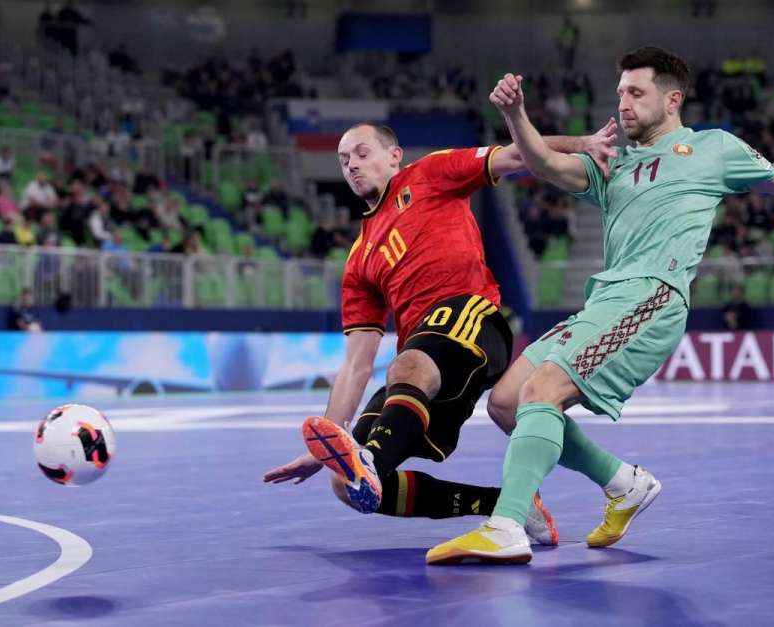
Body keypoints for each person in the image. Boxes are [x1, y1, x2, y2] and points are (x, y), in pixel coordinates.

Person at [428, 46, 774, 565]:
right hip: (604, 300)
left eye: (636, 92)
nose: (623, 103)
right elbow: (544, 163)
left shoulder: (714, 148)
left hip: (652, 296)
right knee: (506, 403)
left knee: (543, 390)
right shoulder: (612, 162)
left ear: (672, 100)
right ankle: (623, 483)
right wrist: (516, 114)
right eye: (620, 92)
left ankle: (506, 526)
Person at [263, 122, 616, 544]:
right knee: (345, 484)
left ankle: (371, 460)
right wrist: (328, 445)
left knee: (406, 368)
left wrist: (582, 144)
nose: (351, 165)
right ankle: (500, 503)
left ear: (394, 156)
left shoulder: (430, 173)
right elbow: (356, 364)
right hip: (425, 362)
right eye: (343, 160)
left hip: (474, 321)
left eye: (361, 153)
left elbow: (516, 154)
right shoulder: (359, 259)